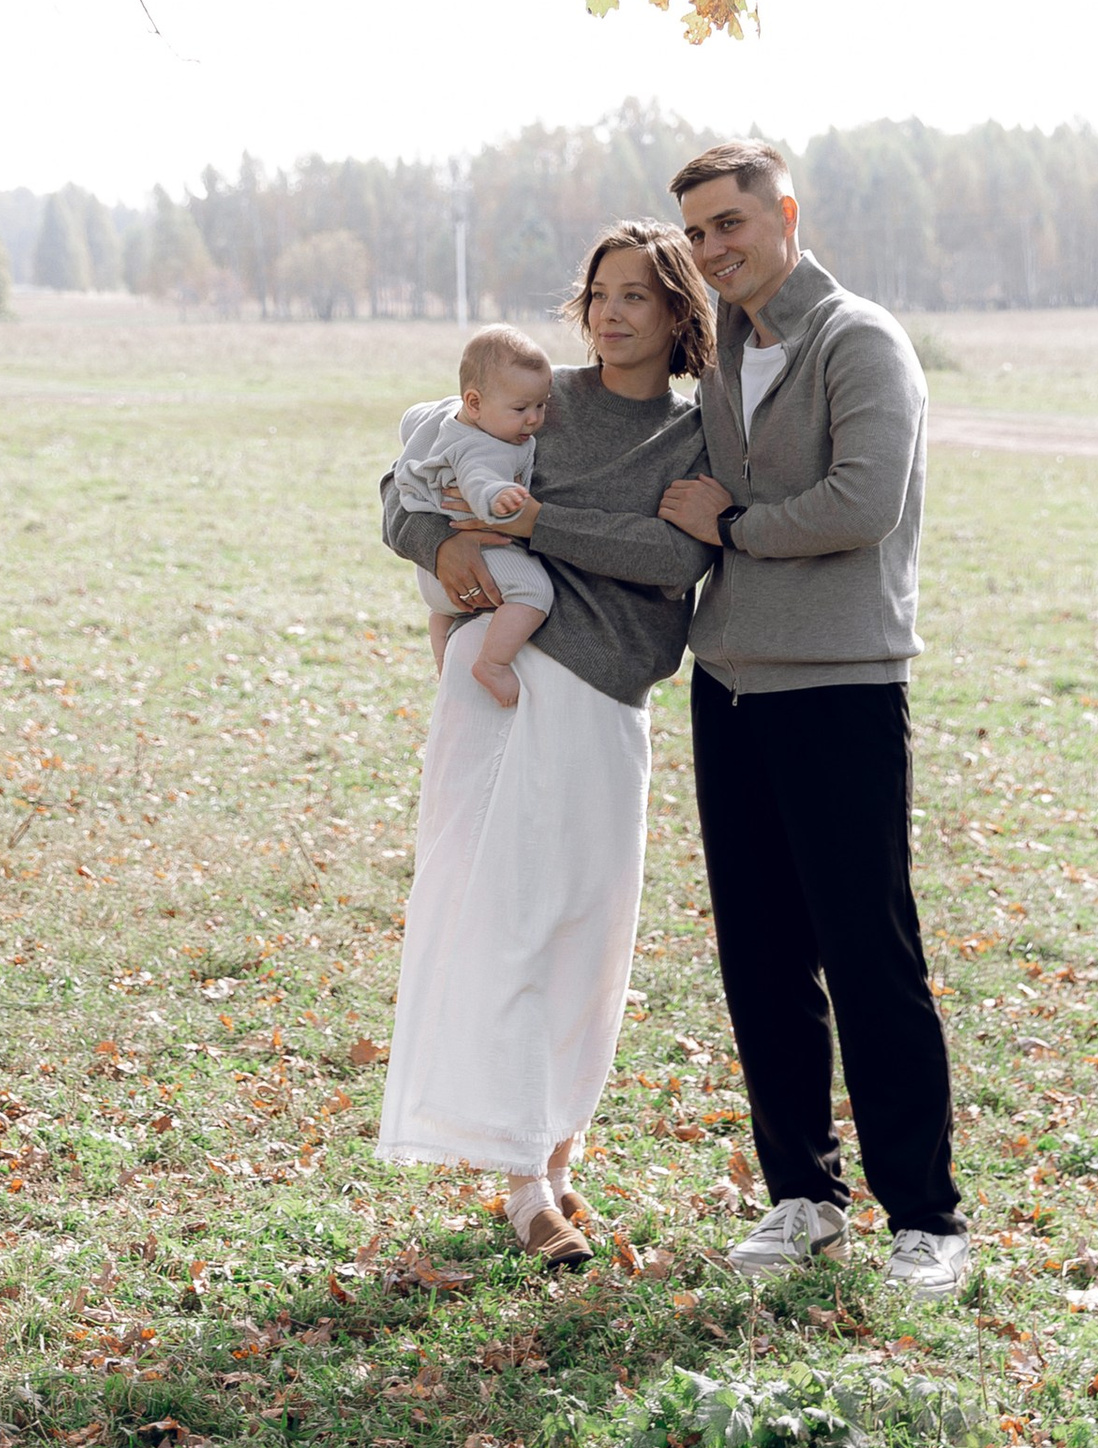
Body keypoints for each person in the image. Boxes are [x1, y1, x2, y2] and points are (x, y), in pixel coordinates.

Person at [655, 140, 972, 1301]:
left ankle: (927, 1219)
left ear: (785, 214)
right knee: (761, 956)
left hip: (839, 681)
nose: (711, 249)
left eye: (729, 224)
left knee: (867, 952)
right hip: (728, 683)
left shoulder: (860, 340)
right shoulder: (727, 349)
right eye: (694, 233)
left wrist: (733, 524)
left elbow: (862, 499)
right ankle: (803, 1196)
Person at [377, 223, 716, 1267]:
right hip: (502, 685)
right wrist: (448, 544)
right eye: (600, 293)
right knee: (500, 913)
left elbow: (672, 553)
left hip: (607, 693)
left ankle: (557, 1153)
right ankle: (525, 1179)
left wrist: (532, 527)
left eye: (637, 298)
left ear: (676, 316)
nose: (612, 313)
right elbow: (400, 491)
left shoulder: (691, 434)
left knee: (586, 924)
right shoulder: (532, 394)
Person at [389, 326, 559, 706]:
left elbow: (411, 418)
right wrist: (500, 497)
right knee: (534, 592)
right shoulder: (488, 447)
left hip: (434, 575)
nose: (532, 419)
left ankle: (442, 661)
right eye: (520, 409)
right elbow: (478, 479)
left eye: (540, 406)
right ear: (475, 402)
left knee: (440, 613)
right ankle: (493, 665)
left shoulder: (445, 417)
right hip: (479, 561)